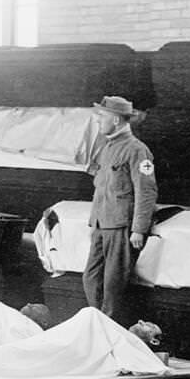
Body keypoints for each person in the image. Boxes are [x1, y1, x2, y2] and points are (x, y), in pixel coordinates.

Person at [83, 95, 157, 323]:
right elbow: (102, 188)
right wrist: (94, 223)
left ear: (115, 120)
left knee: (113, 285)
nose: (98, 121)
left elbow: (146, 191)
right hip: (102, 225)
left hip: (120, 227)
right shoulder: (107, 148)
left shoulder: (137, 150)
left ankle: (107, 330)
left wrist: (139, 229)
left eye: (102, 117)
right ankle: (97, 323)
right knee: (91, 278)